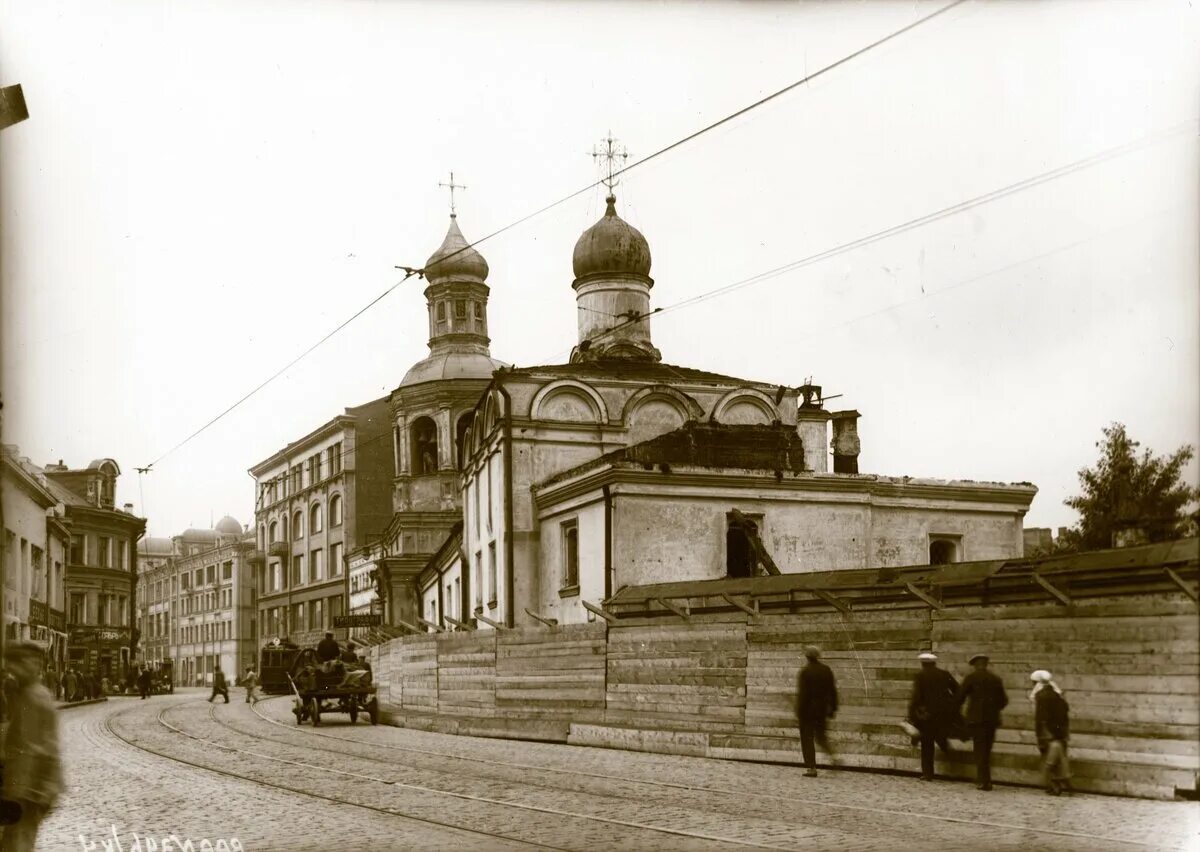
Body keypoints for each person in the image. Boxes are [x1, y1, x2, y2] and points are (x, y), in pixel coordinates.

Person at [1, 642, 63, 852]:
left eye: (16, 664)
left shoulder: (32, 696)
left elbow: (32, 748)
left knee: (17, 845)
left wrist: (16, 792)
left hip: (27, 791)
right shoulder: (32, 692)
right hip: (31, 788)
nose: (11, 670)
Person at [957, 653, 1008, 791]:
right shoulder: (996, 679)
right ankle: (986, 780)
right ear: (985, 664)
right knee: (987, 749)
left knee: (979, 750)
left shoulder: (971, 678)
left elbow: (960, 698)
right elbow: (1003, 701)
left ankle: (983, 781)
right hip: (991, 720)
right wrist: (993, 709)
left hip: (976, 720)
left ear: (974, 665)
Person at [907, 652, 960, 781]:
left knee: (926, 744)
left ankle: (928, 774)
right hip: (942, 715)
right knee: (940, 736)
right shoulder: (944, 674)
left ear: (922, 663)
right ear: (934, 663)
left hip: (926, 716)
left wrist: (911, 714)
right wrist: (950, 704)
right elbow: (958, 689)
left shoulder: (920, 676)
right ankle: (953, 760)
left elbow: (916, 697)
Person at [796, 646, 838, 777]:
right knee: (821, 737)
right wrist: (833, 708)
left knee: (807, 739)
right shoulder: (826, 670)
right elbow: (833, 691)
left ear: (807, 657)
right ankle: (833, 757)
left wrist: (799, 711)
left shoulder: (805, 672)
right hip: (822, 711)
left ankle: (811, 768)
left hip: (807, 712)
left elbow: (803, 694)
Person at [1030, 670, 1072, 795]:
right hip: (1061, 732)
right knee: (1059, 758)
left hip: (1047, 732)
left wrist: (1042, 734)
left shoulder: (1040, 696)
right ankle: (1059, 784)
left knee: (1049, 759)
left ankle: (1055, 786)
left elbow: (1041, 717)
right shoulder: (1058, 694)